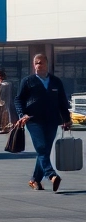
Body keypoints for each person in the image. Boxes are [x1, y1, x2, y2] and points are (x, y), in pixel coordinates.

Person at [13, 53, 72, 192]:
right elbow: (18, 99)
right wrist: (22, 115)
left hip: (52, 120)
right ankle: (51, 175)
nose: (38, 65)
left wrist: (66, 119)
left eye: (41, 62)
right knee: (41, 147)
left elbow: (62, 102)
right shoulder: (28, 81)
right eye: (36, 63)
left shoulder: (56, 82)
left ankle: (34, 180)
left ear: (47, 64)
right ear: (33, 65)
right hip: (33, 120)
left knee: (45, 150)